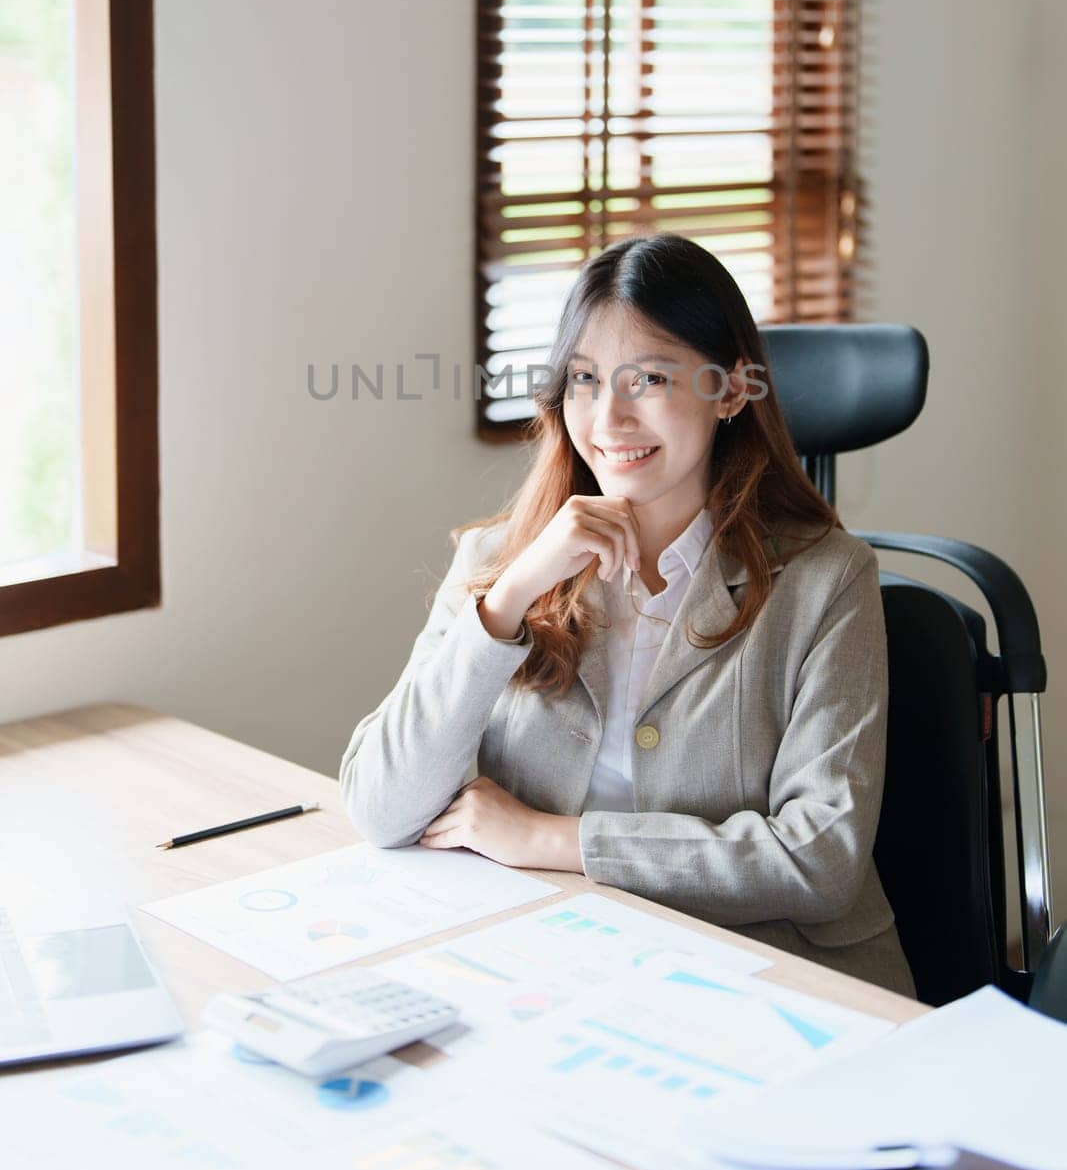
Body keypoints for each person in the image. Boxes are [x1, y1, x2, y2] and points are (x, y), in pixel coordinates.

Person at [339, 234, 915, 996]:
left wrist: (550, 839)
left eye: (646, 377)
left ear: (732, 389)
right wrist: (509, 601)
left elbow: (818, 863)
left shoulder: (825, 580)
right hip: (564, 966)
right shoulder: (500, 560)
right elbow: (382, 808)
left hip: (778, 983)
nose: (608, 416)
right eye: (583, 379)